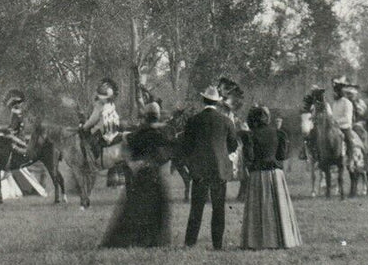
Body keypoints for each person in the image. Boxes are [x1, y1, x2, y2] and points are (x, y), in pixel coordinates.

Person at [101, 102, 173, 248]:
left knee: (132, 209)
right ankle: (155, 241)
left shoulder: (138, 134)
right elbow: (167, 153)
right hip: (155, 176)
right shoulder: (161, 134)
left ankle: (129, 240)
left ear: (145, 117)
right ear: (157, 117)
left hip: (141, 176)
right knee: (158, 210)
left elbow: (128, 150)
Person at [180, 85, 240, 250]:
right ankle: (217, 245)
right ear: (218, 103)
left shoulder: (193, 121)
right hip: (219, 170)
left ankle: (189, 243)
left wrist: (192, 164)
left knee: (196, 208)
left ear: (203, 100)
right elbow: (233, 146)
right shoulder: (226, 121)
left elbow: (186, 147)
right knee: (218, 208)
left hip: (199, 170)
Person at [240, 106, 302, 249]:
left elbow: (249, 157)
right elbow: (281, 156)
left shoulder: (251, 135)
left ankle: (258, 241)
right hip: (276, 175)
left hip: (258, 175)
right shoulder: (279, 133)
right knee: (279, 208)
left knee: (259, 208)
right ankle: (284, 239)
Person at [80, 78, 121, 165]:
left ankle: (91, 160)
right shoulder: (112, 105)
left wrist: (83, 127)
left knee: (86, 137)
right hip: (114, 132)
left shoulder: (99, 106)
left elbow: (92, 120)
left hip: (103, 133)